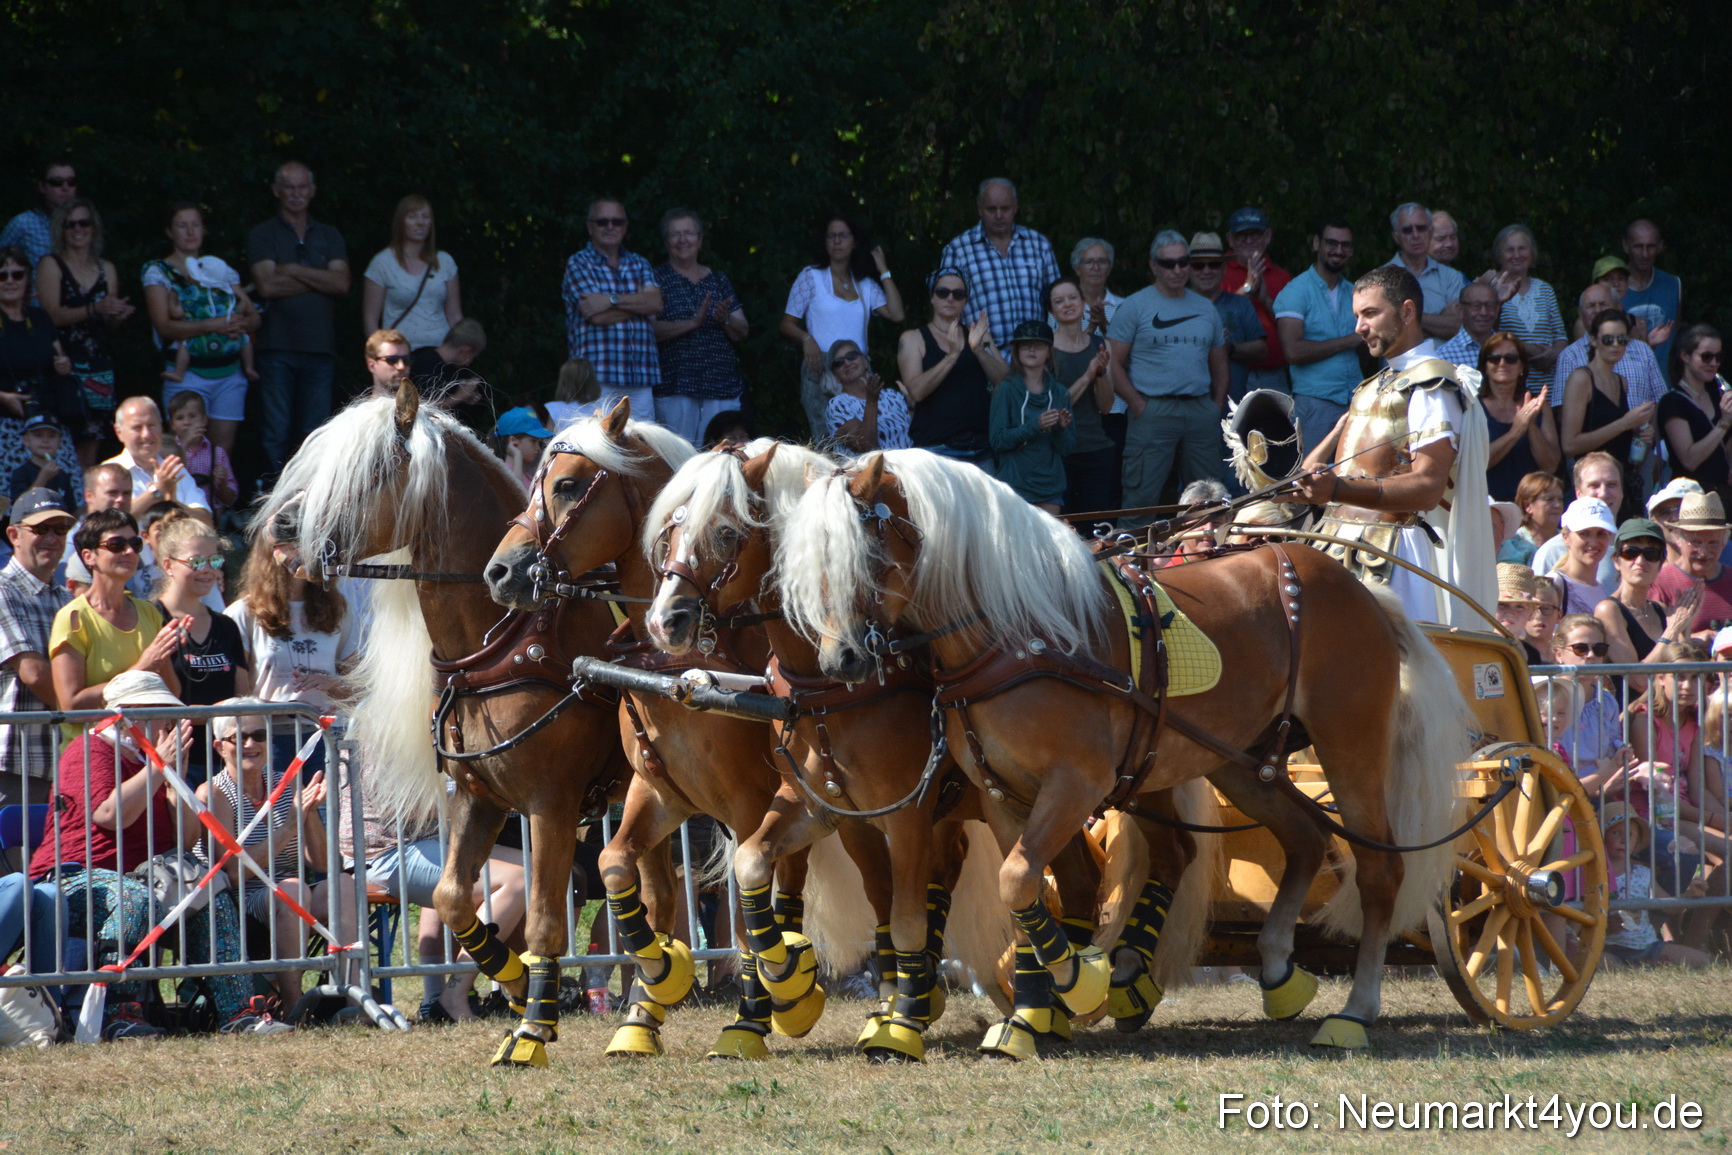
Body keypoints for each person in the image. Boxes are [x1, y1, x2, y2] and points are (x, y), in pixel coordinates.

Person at [26, 671, 292, 1036]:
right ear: (126, 714)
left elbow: (184, 840)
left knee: (210, 895)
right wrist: (156, 768)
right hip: (73, 876)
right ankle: (119, 1016)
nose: (166, 723)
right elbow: (110, 816)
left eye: (167, 714)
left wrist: (174, 783)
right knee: (134, 900)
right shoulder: (90, 750)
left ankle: (239, 1015)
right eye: (157, 713)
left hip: (145, 875)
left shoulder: (151, 759)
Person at [1288, 264, 1493, 626]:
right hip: (1341, 546)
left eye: (1370, 313)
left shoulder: (1431, 384)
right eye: (1356, 316)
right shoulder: (1372, 386)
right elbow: (1346, 473)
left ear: (1407, 312)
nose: (1358, 328)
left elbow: (1428, 487)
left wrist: (1336, 487)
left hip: (1394, 554)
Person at [197, 698, 332, 1001]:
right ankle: (295, 1004)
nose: (250, 744)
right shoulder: (213, 792)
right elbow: (232, 873)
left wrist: (308, 814)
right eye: (238, 737)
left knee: (344, 887)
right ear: (220, 747)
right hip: (237, 900)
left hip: (289, 895)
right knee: (294, 890)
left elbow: (321, 863)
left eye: (259, 735)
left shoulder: (285, 784)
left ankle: (352, 998)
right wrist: (289, 827)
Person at [1107, 231, 1228, 526]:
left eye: (1183, 262)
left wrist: (1215, 406)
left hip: (1200, 410)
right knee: (1140, 501)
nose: (1177, 270)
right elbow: (1112, 363)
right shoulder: (1135, 306)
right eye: (1168, 263)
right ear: (1153, 266)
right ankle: (1131, 566)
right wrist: (1137, 405)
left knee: (1210, 500)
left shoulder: (1205, 307)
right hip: (1153, 410)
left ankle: (1209, 561)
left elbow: (1220, 364)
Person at [225, 525, 357, 780]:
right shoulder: (243, 612)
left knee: (325, 818)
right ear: (269, 551)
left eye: (306, 542)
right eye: (290, 543)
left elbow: (357, 687)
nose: (300, 551)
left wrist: (333, 683)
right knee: (275, 818)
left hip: (327, 735)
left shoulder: (339, 607)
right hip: (268, 740)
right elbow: (234, 697)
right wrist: (287, 708)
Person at [248, 162, 351, 477]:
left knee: (316, 434)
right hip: (275, 347)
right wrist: (321, 278)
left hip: (320, 349)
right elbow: (266, 285)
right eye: (289, 187)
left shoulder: (329, 234)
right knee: (275, 433)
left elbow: (342, 284)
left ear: (312, 190)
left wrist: (291, 269)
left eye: (302, 187)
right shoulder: (263, 234)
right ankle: (269, 497)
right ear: (276, 191)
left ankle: (309, 500)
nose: (296, 194)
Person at [48, 508, 180, 747]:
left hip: (143, 756)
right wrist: (142, 668)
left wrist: (162, 659)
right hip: (90, 759)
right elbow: (71, 704)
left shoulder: (148, 612)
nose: (129, 551)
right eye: (116, 544)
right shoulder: (73, 617)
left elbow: (171, 693)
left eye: (135, 543)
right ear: (89, 556)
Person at [142, 203, 261, 461]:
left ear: (204, 230)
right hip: (187, 373)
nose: (190, 232)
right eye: (182, 226)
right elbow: (164, 326)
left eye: (195, 225)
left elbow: (253, 317)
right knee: (182, 450)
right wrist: (213, 325)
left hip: (229, 372)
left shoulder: (221, 269)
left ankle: (217, 502)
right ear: (169, 231)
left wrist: (242, 324)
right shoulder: (158, 272)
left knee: (220, 455)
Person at [150, 512, 251, 788]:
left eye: (214, 560)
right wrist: (213, 712)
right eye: (196, 561)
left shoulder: (226, 626)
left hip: (225, 763)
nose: (208, 569)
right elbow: (154, 701)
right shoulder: (150, 619)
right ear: (168, 565)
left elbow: (242, 697)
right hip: (173, 762)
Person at [782, 211, 903, 440]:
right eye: (831, 236)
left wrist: (883, 269)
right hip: (821, 367)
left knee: (866, 438)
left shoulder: (865, 284)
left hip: (858, 369)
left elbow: (897, 315)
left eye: (843, 236)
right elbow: (787, 324)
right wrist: (807, 339)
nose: (837, 241)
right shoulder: (811, 276)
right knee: (828, 442)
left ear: (855, 241)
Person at [36, 198, 133, 465]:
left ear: (94, 228)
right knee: (57, 441)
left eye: (84, 223)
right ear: (61, 230)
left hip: (97, 365)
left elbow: (108, 321)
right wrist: (94, 308)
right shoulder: (51, 264)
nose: (78, 229)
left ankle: (84, 505)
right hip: (63, 364)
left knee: (92, 445)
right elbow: (50, 315)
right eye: (70, 224)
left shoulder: (107, 269)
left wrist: (117, 315)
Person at [561, 197, 664, 421]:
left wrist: (610, 299)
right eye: (602, 221)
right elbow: (597, 316)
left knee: (641, 449)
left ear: (625, 227)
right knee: (597, 450)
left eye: (617, 222)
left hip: (640, 375)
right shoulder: (578, 263)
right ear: (590, 227)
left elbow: (656, 303)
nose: (610, 226)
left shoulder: (640, 263)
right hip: (596, 376)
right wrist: (639, 304)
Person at [650, 208, 748, 444]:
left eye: (689, 233)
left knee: (723, 459)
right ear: (666, 241)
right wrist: (692, 323)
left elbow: (742, 331)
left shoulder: (718, 279)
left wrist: (724, 318)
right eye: (675, 235)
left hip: (721, 385)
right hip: (676, 386)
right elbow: (649, 331)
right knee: (679, 460)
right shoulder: (656, 278)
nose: (683, 240)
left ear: (700, 238)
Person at [0, 490, 72, 808]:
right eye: (41, 529)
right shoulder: (2, 591)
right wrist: (86, 705)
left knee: (60, 860)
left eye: (60, 529)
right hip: (13, 765)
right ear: (14, 534)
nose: (52, 538)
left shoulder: (66, 600)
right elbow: (33, 673)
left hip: (62, 766)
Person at [898, 268, 1007, 469]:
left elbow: (1004, 381)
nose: (950, 298)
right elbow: (916, 392)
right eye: (942, 292)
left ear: (965, 301)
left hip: (982, 449)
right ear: (932, 297)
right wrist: (952, 356)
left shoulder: (979, 336)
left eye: (958, 294)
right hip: (937, 451)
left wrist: (978, 350)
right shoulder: (913, 338)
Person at [1272, 219, 1363, 456]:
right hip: (1314, 402)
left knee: (1352, 478)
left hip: (1354, 400)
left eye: (1346, 245)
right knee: (1310, 479)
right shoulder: (1296, 291)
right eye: (1332, 243)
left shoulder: (1355, 292)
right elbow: (1293, 352)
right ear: (1316, 244)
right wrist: (1350, 340)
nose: (1339, 251)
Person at [0, 246, 85, 495]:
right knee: (8, 501)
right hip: (5, 425)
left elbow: (60, 358)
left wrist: (64, 365)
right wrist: (4, 397)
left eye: (17, 274)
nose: (9, 281)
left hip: (47, 421)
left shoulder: (40, 318)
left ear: (28, 279)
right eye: (2, 275)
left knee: (69, 491)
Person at [938, 178, 1058, 349]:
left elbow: (1057, 302)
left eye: (1005, 209)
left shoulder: (1039, 245)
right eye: (991, 209)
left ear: (1015, 207)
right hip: (983, 358)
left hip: (1035, 356)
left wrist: (1055, 349)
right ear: (980, 209)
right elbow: (946, 311)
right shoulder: (958, 250)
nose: (999, 215)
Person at [1599, 805, 1710, 969]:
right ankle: (1637, 967)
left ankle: (1640, 965)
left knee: (1703, 961)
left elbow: (1667, 906)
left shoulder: (1643, 873)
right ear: (1601, 837)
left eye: (1630, 834)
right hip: (1608, 948)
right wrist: (1606, 928)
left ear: (1637, 842)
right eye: (1616, 833)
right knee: (1600, 963)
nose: (1624, 840)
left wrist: (1689, 894)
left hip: (1647, 947)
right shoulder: (1591, 878)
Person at [1047, 277, 1116, 515]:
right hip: (1059, 452)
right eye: (1059, 301)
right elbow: (1052, 407)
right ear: (1051, 310)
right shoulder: (1046, 350)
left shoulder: (1099, 344)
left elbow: (1106, 407)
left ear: (1083, 301)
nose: (1067, 304)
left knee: (1095, 529)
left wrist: (1101, 373)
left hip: (1095, 448)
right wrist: (1087, 375)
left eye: (1072, 298)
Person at [990, 321, 1074, 513]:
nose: (1032, 349)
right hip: (1014, 486)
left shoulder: (1060, 393)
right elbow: (997, 441)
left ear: (1049, 352)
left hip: (1050, 488)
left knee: (1049, 543)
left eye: (1039, 344)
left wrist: (1060, 429)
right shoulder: (1005, 389)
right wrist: (1035, 425)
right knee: (1015, 543)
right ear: (1017, 350)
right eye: (1025, 344)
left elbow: (1068, 448)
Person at [360, 194, 462, 351]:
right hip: (401, 355)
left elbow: (454, 315)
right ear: (401, 222)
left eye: (426, 217)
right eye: (412, 216)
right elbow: (370, 319)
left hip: (441, 353)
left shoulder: (445, 262)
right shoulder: (382, 263)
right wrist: (382, 356)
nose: (420, 222)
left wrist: (460, 352)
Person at [1596, 517, 1699, 667]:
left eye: (1651, 554)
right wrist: (1672, 631)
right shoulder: (1608, 610)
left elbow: (1683, 671)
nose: (1640, 561)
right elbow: (1636, 679)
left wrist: (1684, 631)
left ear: (1660, 563)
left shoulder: (1661, 610)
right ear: (1616, 561)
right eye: (1630, 553)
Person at [1553, 281, 1667, 415]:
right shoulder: (1569, 356)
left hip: (1644, 434)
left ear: (1618, 308)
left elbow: (1661, 401)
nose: (1597, 310)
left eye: (1603, 304)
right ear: (1580, 312)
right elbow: (1563, 413)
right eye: (1590, 306)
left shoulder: (1643, 350)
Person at [1479, 224, 1566, 397]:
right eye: (1509, 250)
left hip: (1546, 381)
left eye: (1522, 249)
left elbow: (1560, 335)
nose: (1517, 255)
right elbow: (1484, 331)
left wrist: (1553, 354)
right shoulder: (1489, 288)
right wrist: (1525, 349)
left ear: (1532, 254)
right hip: (1508, 381)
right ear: (1499, 255)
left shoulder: (1545, 289)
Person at [1560, 309, 1655, 467]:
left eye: (1622, 339)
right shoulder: (1581, 379)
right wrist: (1625, 423)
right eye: (1608, 339)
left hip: (1621, 475)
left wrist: (1639, 432)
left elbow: (1617, 435)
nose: (1616, 345)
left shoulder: (1621, 381)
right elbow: (1569, 446)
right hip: (1592, 478)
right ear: (1593, 341)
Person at [1476, 331, 1559, 501]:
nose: (1502, 363)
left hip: (1531, 508)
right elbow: (1476, 463)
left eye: (1511, 358)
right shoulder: (1472, 407)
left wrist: (1530, 426)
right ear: (1485, 365)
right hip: (1486, 506)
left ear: (1522, 366)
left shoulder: (1540, 406)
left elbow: (1551, 466)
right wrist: (1516, 431)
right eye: (1494, 358)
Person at [1220, 206, 1292, 394]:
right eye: (1241, 235)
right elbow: (1216, 314)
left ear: (1267, 236)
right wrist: (1248, 288)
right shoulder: (1216, 271)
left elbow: (1291, 329)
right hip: (1231, 370)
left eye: (1256, 234)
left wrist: (1266, 300)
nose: (1249, 240)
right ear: (1230, 239)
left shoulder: (1281, 277)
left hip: (1274, 375)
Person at [105, 396, 210, 524]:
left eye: (152, 425)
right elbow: (109, 525)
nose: (146, 434)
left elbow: (207, 522)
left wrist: (174, 505)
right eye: (137, 428)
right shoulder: (108, 473)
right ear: (119, 432)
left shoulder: (175, 470)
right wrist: (157, 491)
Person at [1188, 232, 1264, 405]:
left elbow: (1261, 351)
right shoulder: (1174, 308)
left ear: (1223, 269)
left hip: (1233, 410)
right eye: (1199, 265)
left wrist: (1230, 348)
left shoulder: (1241, 305)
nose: (1206, 271)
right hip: (1186, 411)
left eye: (1214, 265)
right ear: (1188, 269)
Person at [1651, 492, 1732, 645]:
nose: (1703, 553)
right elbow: (1652, 643)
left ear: (1724, 542)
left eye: (1712, 543)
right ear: (1678, 539)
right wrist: (1693, 639)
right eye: (1695, 542)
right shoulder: (1660, 583)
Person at [1660, 324, 1731, 498]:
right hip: (1690, 498)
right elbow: (1689, 460)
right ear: (1685, 355)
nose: (1713, 363)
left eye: (1718, 357)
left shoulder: (1719, 396)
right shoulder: (1673, 401)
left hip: (1723, 495)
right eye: (1706, 357)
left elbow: (1727, 450)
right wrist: (1724, 423)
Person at [1531, 453, 1626, 582]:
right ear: (1578, 493)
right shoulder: (1552, 552)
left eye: (1611, 485)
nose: (1603, 493)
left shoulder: (1632, 549)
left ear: (1621, 491)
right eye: (1594, 485)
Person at [1384, 203, 1465, 340]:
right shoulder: (1381, 277)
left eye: (1421, 228)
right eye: (1407, 230)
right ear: (1396, 237)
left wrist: (1405, 316)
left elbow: (1459, 327)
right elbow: (1388, 332)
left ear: (1430, 231)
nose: (1415, 235)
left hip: (1444, 361)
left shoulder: (1451, 276)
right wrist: (1441, 319)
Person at [824, 339, 911, 454]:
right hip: (873, 470)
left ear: (865, 361)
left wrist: (913, 404)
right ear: (835, 376)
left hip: (909, 466)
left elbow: (918, 432)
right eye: (838, 362)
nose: (847, 363)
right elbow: (867, 447)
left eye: (851, 356)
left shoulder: (892, 395)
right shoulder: (837, 405)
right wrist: (871, 401)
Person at [1622, 220, 1681, 379]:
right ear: (1626, 246)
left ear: (1660, 246)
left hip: (1666, 382)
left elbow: (1677, 335)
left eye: (1651, 247)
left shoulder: (1673, 285)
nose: (1645, 254)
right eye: (1638, 247)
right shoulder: (1613, 288)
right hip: (1627, 382)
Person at [166, 390, 238, 517]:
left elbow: (230, 499)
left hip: (206, 518)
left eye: (192, 416)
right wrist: (185, 445)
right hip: (175, 517)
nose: (187, 422)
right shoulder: (166, 450)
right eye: (180, 418)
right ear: (172, 425)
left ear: (204, 420)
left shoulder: (216, 453)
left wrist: (221, 483)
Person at [0, 160, 77, 272]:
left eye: (71, 182)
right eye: (56, 182)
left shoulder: (84, 225)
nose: (65, 187)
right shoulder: (22, 224)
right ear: (42, 187)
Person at [407, 318, 487, 425]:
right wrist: (459, 396)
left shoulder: (458, 370)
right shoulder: (425, 362)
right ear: (465, 352)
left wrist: (467, 397)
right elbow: (423, 408)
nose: (470, 362)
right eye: (473, 356)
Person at [1545, 497, 1617, 613]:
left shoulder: (1603, 590)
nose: (1593, 543)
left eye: (1601, 534)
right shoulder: (1553, 586)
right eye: (1584, 534)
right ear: (1566, 537)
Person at [8, 413, 78, 510]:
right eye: (38, 435)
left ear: (59, 442)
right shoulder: (21, 472)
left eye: (52, 436)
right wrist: (43, 478)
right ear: (26, 440)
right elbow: (20, 504)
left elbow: (71, 509)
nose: (45, 440)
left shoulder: (62, 475)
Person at [1435, 281, 1502, 369]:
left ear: (1497, 310)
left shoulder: (1508, 349)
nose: (1484, 312)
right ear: (1460, 310)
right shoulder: (1444, 357)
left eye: (1489, 305)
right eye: (1476, 306)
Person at [1504, 470, 1564, 566]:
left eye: (1560, 499)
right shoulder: (1513, 544)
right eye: (1549, 499)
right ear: (1528, 506)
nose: (1557, 505)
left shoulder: (1569, 540)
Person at [1495, 563, 1545, 664]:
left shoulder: (1532, 654)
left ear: (1531, 613)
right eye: (1502, 605)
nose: (1510, 613)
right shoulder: (1478, 648)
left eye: (1520, 607)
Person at [495, 407, 555, 489]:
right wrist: (517, 455)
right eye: (533, 441)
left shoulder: (529, 477)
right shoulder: (501, 471)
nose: (538, 448)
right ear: (514, 442)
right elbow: (515, 492)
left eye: (539, 442)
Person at [545, 358, 604, 430]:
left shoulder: (555, 408)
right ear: (592, 380)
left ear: (564, 382)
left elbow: (548, 437)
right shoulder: (603, 407)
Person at [363, 328, 412, 398]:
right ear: (372, 365)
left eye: (406, 359)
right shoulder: (360, 409)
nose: (401, 366)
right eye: (392, 360)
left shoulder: (422, 408)